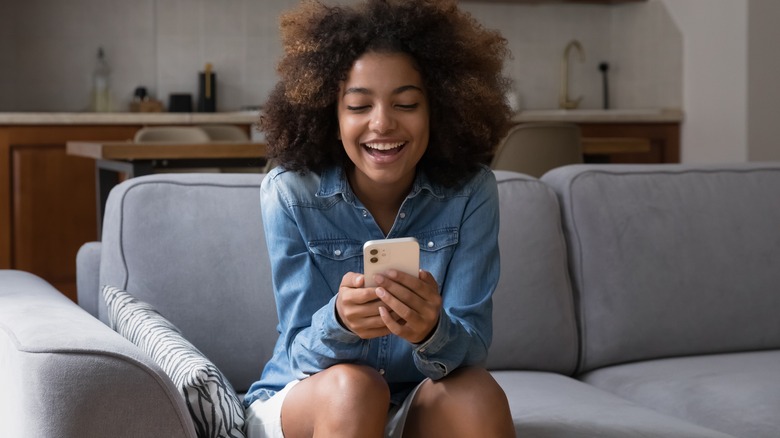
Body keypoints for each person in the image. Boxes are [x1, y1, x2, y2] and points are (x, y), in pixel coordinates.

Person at [243, 0, 516, 436]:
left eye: (406, 103)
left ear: (437, 111)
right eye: (358, 106)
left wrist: (432, 330)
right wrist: (339, 322)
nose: (382, 123)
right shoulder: (291, 192)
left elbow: (472, 347)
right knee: (356, 388)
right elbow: (298, 351)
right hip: (313, 396)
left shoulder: (471, 192)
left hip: (413, 399)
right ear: (330, 118)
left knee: (478, 394)